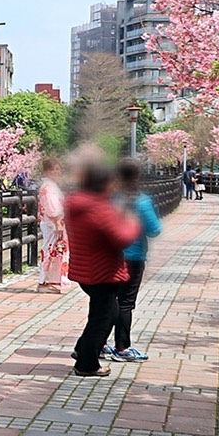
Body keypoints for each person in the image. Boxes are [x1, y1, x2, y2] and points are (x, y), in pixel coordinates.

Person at [65, 158, 142, 377]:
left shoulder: (77, 204)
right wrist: (131, 222)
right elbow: (122, 237)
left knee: (100, 313)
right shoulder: (99, 208)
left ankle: (83, 350)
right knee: (105, 317)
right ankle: (87, 364)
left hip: (85, 269)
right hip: (103, 271)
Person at [110, 158, 162, 363]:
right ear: (138, 177)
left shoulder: (110, 199)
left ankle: (101, 342)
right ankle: (122, 347)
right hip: (133, 256)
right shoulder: (142, 202)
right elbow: (154, 230)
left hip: (109, 255)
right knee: (125, 303)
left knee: (108, 300)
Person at [36, 156, 69, 292]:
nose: (57, 172)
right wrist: (58, 222)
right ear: (47, 172)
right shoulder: (47, 187)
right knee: (50, 250)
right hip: (53, 223)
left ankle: (53, 280)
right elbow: (52, 207)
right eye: (54, 170)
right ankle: (44, 282)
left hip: (55, 222)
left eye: (58, 169)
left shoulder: (51, 186)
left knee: (56, 251)